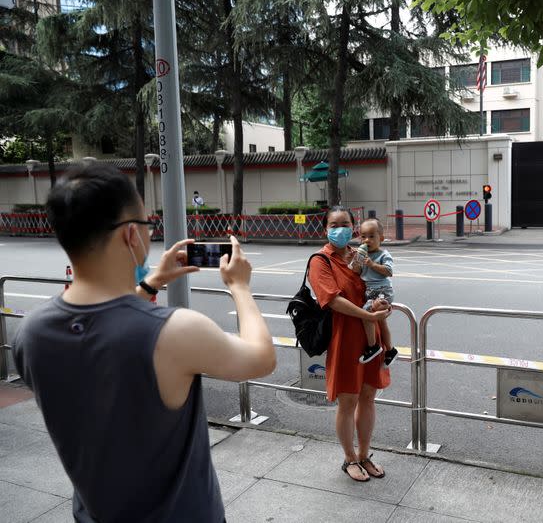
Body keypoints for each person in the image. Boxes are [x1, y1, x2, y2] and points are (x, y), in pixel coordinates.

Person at [12, 164, 276, 522]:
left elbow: (101, 330)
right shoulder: (176, 331)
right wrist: (241, 288)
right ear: (131, 236)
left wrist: (151, 283)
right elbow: (261, 358)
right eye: (147, 226)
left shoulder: (30, 333)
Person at [307, 206, 392, 482]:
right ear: (325, 229)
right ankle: (349, 458)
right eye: (334, 224)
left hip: (371, 338)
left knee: (368, 397)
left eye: (345, 224)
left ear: (353, 228)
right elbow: (332, 300)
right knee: (348, 401)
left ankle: (365, 454)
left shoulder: (360, 255)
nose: (340, 229)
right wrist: (369, 314)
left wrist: (381, 305)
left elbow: (377, 283)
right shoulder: (321, 261)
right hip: (345, 339)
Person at [351, 218, 398, 366]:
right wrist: (357, 260)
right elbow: (355, 271)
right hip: (371, 292)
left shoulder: (383, 254)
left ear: (381, 238)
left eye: (372, 236)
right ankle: (390, 350)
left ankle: (373, 347)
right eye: (363, 236)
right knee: (380, 321)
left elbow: (389, 271)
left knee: (367, 314)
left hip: (382, 291)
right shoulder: (363, 254)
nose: (367, 240)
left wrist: (372, 264)